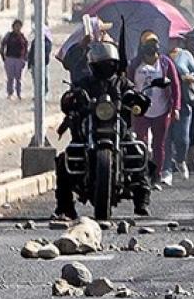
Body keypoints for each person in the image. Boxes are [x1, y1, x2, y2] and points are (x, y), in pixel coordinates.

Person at [53, 38, 151, 219]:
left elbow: (138, 98)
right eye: (101, 64)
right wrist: (71, 97)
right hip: (90, 129)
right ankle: (64, 204)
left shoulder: (122, 83)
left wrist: (139, 98)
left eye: (108, 64)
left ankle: (142, 198)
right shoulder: (85, 82)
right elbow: (68, 99)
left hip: (118, 129)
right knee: (64, 160)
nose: (104, 67)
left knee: (138, 153)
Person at [127, 32, 181, 187]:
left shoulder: (165, 63)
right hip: (141, 110)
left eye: (155, 43)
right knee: (141, 142)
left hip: (162, 110)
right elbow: (128, 84)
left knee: (159, 144)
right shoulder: (135, 64)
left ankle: (156, 176)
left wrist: (176, 107)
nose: (153, 47)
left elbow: (175, 86)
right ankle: (142, 174)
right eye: (149, 44)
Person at [167, 34, 194, 180]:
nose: (173, 42)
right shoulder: (161, 55)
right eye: (170, 39)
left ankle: (181, 160)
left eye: (175, 39)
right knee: (166, 136)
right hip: (166, 99)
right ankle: (166, 168)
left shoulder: (185, 55)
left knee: (182, 137)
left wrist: (193, 79)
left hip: (184, 99)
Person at [0, 19, 28, 100]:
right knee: (10, 78)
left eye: (19, 26)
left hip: (19, 59)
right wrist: (4, 57)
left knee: (19, 78)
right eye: (16, 26)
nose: (17, 28)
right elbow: (3, 45)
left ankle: (19, 93)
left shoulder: (22, 37)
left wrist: (25, 58)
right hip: (10, 59)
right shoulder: (9, 36)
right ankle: (10, 93)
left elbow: (26, 47)